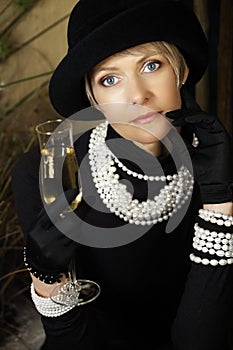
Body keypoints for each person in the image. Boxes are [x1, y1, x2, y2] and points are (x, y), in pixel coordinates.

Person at [11, 0, 233, 349]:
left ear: (181, 70)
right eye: (110, 78)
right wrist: (46, 277)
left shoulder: (217, 165)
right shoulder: (48, 171)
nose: (138, 96)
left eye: (152, 65)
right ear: (93, 95)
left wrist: (221, 204)